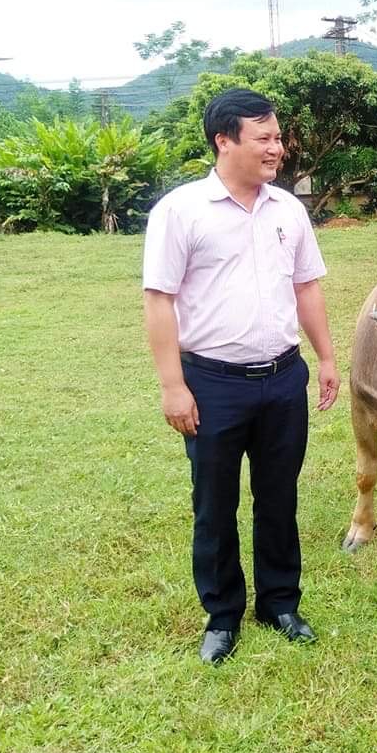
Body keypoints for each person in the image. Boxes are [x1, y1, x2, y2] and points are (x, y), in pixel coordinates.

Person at [143, 88, 340, 665]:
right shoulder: (180, 212)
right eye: (264, 138)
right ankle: (222, 615)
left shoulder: (289, 210)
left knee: (279, 497)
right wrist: (172, 385)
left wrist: (325, 358)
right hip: (212, 384)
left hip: (283, 379)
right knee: (214, 502)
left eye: (278, 137)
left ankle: (280, 603)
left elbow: (307, 286)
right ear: (223, 140)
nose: (276, 148)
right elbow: (159, 301)